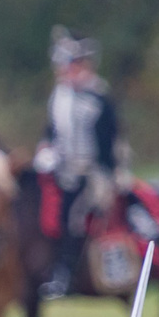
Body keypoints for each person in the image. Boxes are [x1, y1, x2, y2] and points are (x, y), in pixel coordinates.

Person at [34, 28, 127, 300]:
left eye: (75, 66)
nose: (69, 72)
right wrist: (46, 149)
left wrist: (106, 174)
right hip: (62, 170)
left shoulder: (99, 98)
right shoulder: (59, 97)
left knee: (75, 218)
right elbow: (51, 130)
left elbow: (110, 143)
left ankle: (64, 275)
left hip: (94, 172)